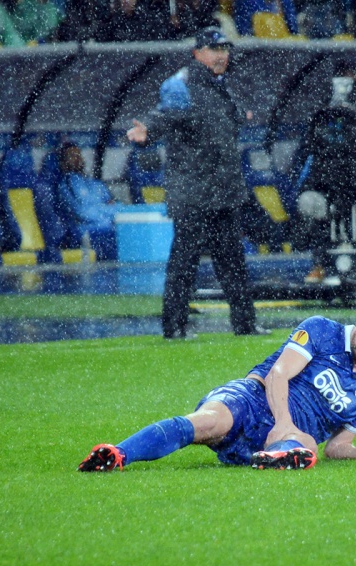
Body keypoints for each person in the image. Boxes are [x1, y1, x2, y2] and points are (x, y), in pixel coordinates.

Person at [78, 297, 356, 472]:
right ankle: (117, 455)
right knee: (208, 422)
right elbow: (278, 374)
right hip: (253, 400)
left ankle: (274, 456)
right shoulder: (321, 329)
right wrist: (283, 422)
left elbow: (338, 447)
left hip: (287, 437)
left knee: (308, 445)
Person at [126, 27, 268, 340]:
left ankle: (245, 324)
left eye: (225, 50)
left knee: (233, 262)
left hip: (223, 190)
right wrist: (147, 131)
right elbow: (165, 114)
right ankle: (174, 327)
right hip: (193, 192)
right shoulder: (182, 84)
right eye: (215, 50)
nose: (221, 56)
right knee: (184, 262)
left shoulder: (221, 85)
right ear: (197, 53)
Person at [295, 61, 356, 285]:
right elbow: (308, 148)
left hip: (354, 177)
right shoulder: (320, 113)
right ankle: (319, 265)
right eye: (343, 79)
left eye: (350, 81)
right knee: (321, 216)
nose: (346, 87)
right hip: (325, 177)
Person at [55, 142, 127, 260]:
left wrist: (106, 211)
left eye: (78, 155)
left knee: (128, 232)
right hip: (86, 232)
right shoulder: (67, 185)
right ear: (63, 163)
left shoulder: (96, 184)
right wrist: (108, 213)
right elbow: (83, 212)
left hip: (109, 227)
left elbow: (120, 207)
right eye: (72, 156)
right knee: (111, 236)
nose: (77, 159)